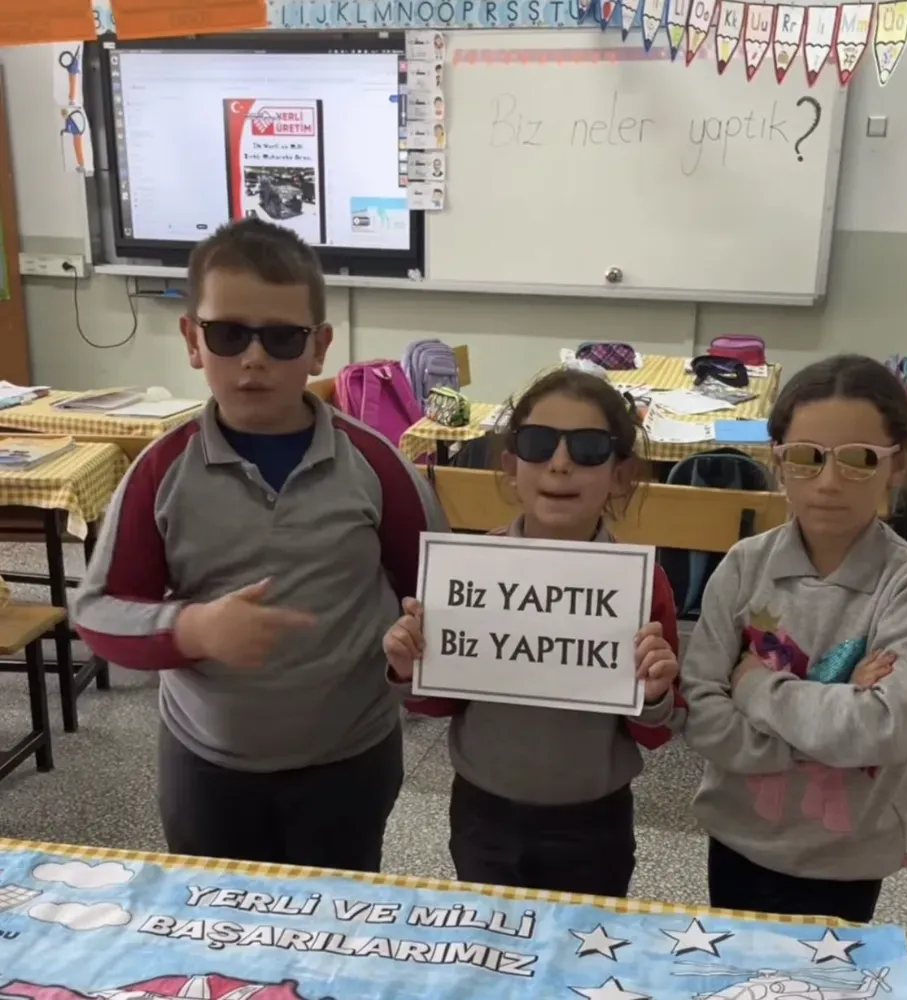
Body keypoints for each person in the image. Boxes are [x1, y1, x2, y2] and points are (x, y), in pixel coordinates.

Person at [74, 217, 447, 870]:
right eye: (228, 334)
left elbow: (438, 597)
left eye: (281, 338)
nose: (253, 359)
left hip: (349, 761)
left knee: (333, 918)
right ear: (193, 340)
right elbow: (98, 611)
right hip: (207, 766)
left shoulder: (377, 466)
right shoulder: (162, 472)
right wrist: (193, 629)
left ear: (319, 347)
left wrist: (409, 665)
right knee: (217, 923)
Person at [383, 369, 685, 898]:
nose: (560, 463)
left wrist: (655, 692)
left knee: (581, 943)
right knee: (489, 940)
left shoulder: (641, 585)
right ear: (511, 467)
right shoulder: (469, 574)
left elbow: (656, 730)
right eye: (539, 444)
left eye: (588, 449)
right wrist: (411, 665)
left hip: (593, 821)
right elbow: (438, 702)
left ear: (619, 474)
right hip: (483, 812)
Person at [680, 353, 907, 923]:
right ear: (779, 462)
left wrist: (753, 689)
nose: (828, 482)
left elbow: (883, 729)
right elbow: (700, 709)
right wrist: (827, 724)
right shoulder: (743, 566)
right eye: (806, 457)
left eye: (859, 459)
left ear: (897, 463)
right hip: (739, 839)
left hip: (844, 860)